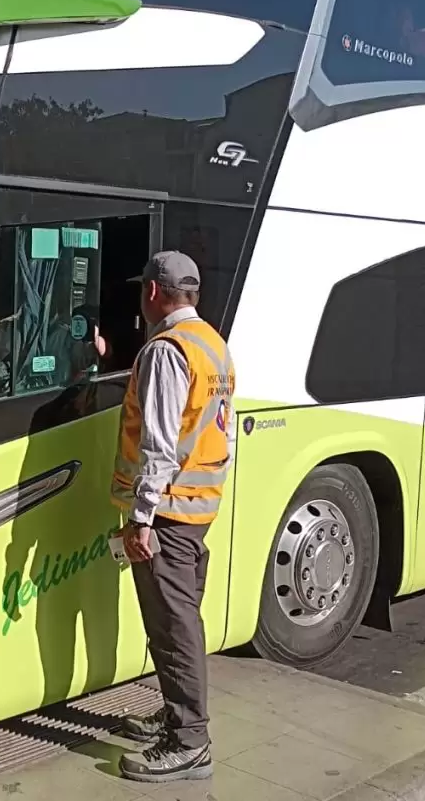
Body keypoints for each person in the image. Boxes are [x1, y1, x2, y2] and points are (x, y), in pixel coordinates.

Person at [112, 251, 235, 784]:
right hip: (197, 505)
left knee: (172, 623)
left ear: (154, 293)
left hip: (167, 511)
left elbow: (160, 445)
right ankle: (175, 714)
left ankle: (189, 741)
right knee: (176, 617)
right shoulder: (212, 342)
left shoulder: (166, 351)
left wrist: (142, 517)